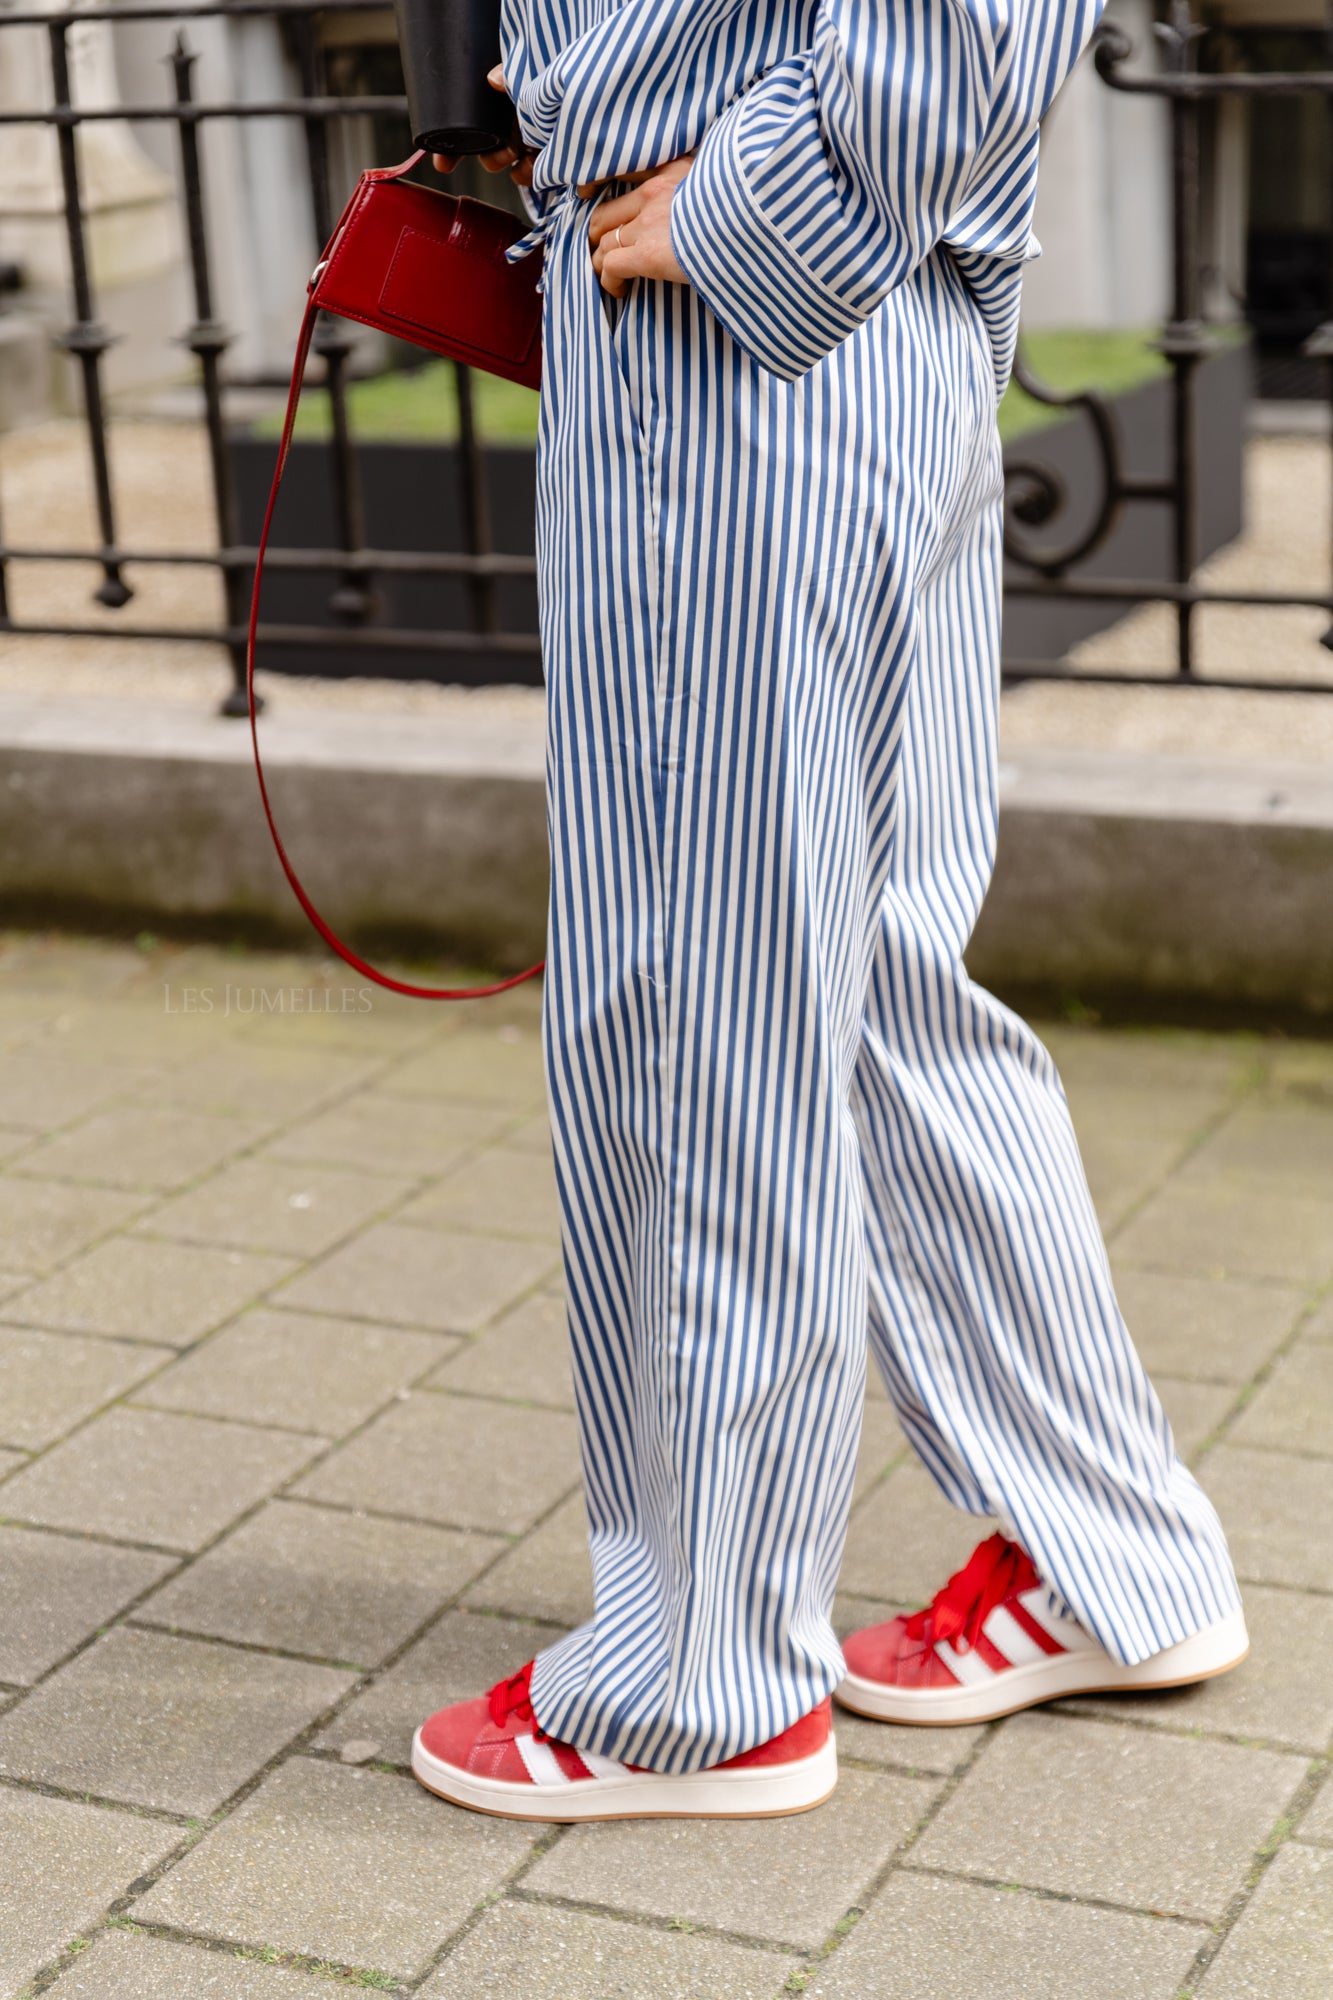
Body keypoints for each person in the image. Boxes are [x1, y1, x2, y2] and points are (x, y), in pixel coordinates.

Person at [411, 0, 1248, 1823]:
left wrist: (748, 200)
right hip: (811, 318)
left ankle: (701, 1683)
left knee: (703, 999)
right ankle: (1106, 1560)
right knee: (863, 981)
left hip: (736, 324)